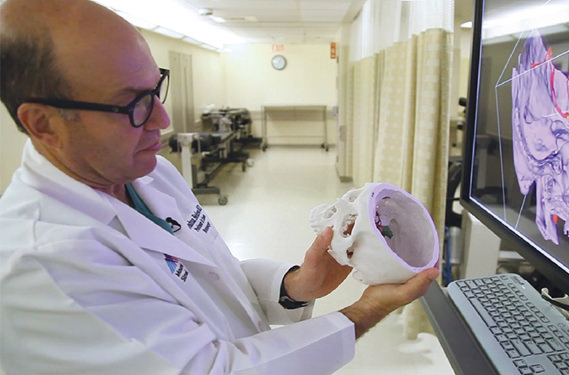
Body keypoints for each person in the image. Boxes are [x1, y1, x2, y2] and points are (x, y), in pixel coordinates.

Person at [0, 0, 439, 374]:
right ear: (43, 123)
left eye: (156, 88)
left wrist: (294, 285)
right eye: (131, 103)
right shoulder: (43, 264)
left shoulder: (147, 174)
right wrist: (367, 309)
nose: (162, 120)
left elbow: (208, 274)